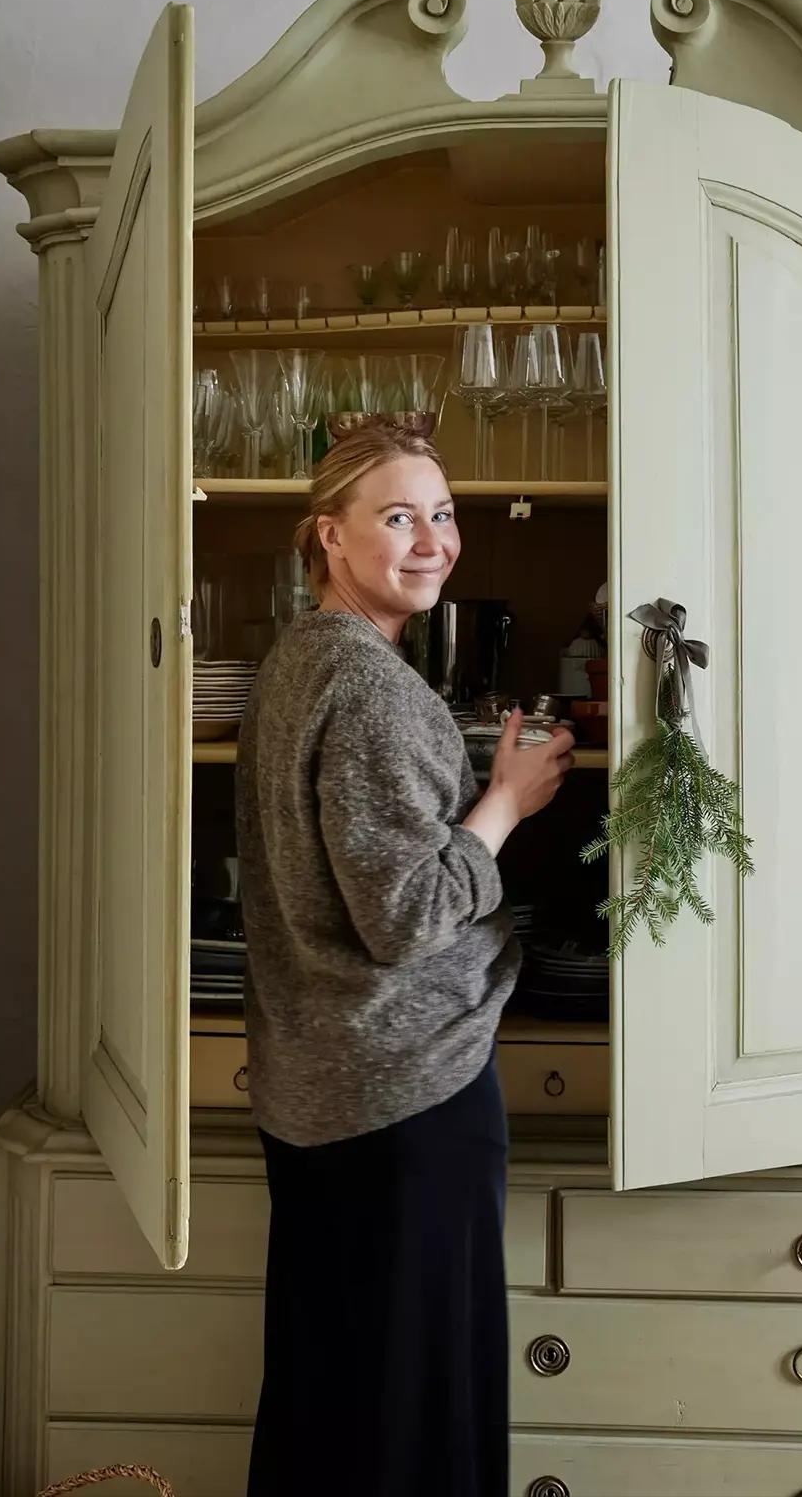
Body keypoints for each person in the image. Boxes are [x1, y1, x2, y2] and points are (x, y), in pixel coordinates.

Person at [236, 421, 574, 1497]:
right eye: (397, 516)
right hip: (406, 1095)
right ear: (329, 534)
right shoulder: (373, 688)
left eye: (443, 513)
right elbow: (408, 911)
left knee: (329, 1407)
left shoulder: (302, 657)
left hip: (319, 1084)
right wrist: (506, 805)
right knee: (418, 1424)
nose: (432, 541)